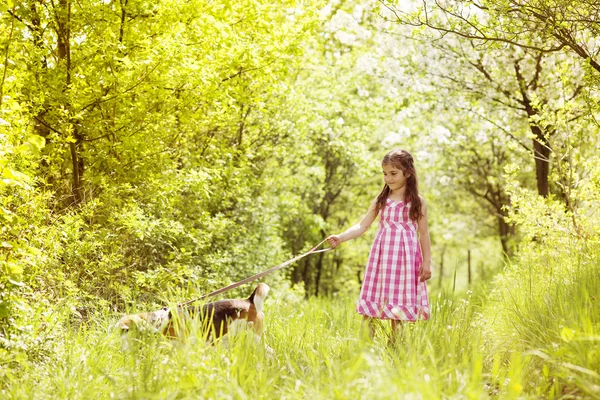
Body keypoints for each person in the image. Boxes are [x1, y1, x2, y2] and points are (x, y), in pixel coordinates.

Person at [327, 149, 431, 342]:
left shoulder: (417, 202)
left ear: (407, 173)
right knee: (374, 297)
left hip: (405, 260)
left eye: (393, 173)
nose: (388, 178)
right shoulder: (381, 200)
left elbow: (424, 233)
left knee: (398, 303)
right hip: (382, 258)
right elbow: (362, 225)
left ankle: (395, 346)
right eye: (385, 173)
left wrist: (427, 262)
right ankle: (366, 346)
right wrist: (341, 237)